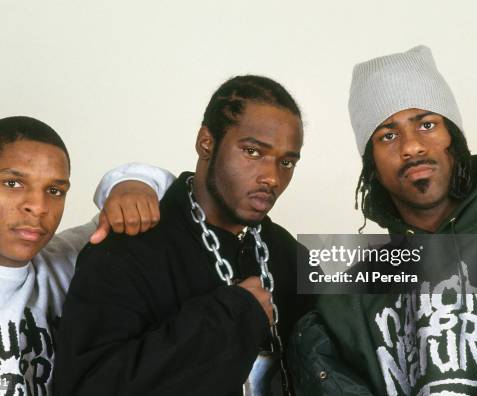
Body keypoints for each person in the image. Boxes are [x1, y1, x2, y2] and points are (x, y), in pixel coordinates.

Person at [289, 46, 477, 395]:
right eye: (388, 135)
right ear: (372, 166)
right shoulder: (352, 293)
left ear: (454, 138)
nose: (411, 146)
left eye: (427, 124)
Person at [53, 75, 312, 395]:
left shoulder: (286, 251)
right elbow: (87, 387)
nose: (272, 177)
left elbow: (370, 288)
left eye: (287, 162)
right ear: (207, 142)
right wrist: (230, 317)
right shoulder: (126, 248)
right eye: (252, 152)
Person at [0, 116, 174, 395]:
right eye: (13, 183)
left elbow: (164, 198)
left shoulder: (65, 261)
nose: (38, 207)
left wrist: (129, 185)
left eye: (54, 191)